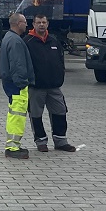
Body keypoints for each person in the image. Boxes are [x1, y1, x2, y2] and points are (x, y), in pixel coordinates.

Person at [24, 11, 77, 153]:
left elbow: (61, 60)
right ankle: (40, 141)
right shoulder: (27, 42)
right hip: (36, 87)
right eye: (38, 22)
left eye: (44, 22)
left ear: (48, 24)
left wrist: (60, 76)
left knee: (60, 113)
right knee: (36, 115)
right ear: (33, 24)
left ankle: (60, 141)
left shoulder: (54, 41)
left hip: (54, 86)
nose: (41, 25)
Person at [0, 12, 34, 158]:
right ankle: (12, 148)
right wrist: (22, 83)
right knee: (17, 115)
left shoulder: (9, 38)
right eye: (25, 22)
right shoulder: (16, 41)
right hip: (17, 85)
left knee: (14, 114)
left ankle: (13, 145)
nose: (27, 25)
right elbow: (17, 64)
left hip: (11, 83)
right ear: (18, 23)